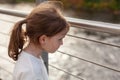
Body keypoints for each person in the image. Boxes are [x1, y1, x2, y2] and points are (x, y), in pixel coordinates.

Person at [8, 1, 70, 80]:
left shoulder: (28, 57)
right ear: (43, 39)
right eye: (60, 39)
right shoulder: (33, 72)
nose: (62, 43)